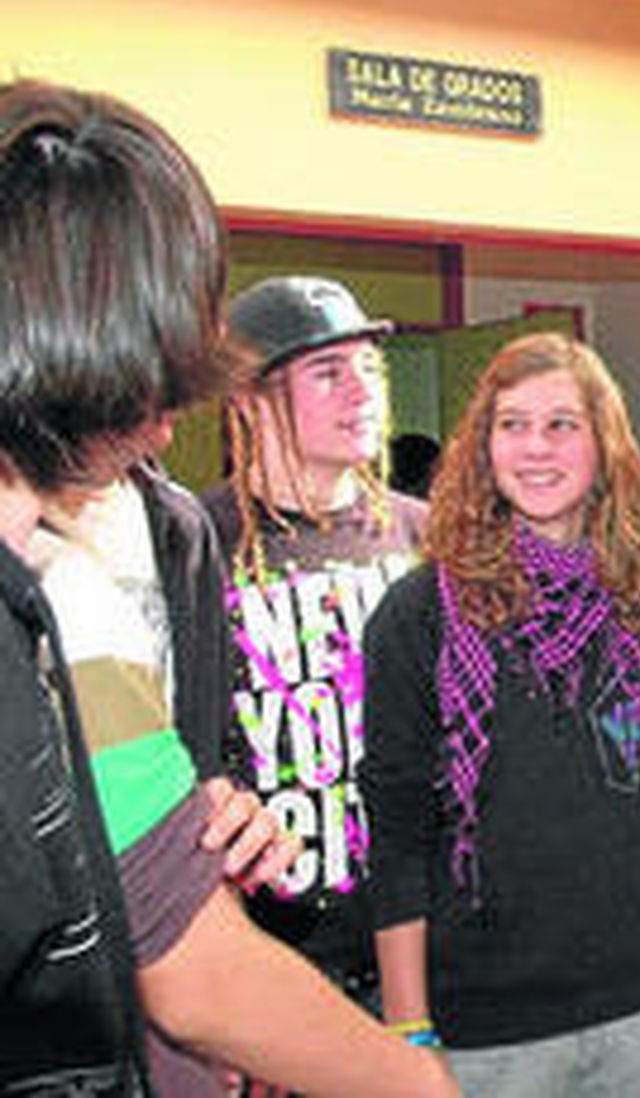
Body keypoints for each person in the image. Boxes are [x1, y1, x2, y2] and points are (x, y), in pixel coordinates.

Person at [0, 77, 457, 1098]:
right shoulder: (104, 579)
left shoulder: (116, 563)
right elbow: (193, 968)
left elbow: (162, 816)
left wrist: (199, 818)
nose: (163, 422)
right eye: (149, 380)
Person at [361, 333, 640, 1095]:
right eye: (513, 424)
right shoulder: (418, 617)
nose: (536, 448)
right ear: (483, 446)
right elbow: (398, 832)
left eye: (562, 424)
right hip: (484, 1036)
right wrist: (409, 1030)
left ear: (604, 445)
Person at [204, 275, 427, 1007]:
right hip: (263, 962)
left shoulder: (428, 536)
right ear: (247, 398)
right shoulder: (193, 543)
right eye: (328, 373)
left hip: (421, 952)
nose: (361, 393)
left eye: (368, 369)